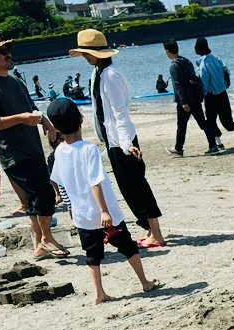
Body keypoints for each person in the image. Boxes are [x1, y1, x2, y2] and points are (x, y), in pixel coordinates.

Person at [45, 98, 159, 305]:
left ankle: (99, 293)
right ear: (81, 119)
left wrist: (68, 202)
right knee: (128, 247)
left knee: (92, 255)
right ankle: (145, 282)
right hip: (107, 215)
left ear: (55, 127)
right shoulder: (89, 149)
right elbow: (95, 182)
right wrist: (104, 211)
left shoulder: (59, 152)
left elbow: (56, 180)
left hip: (82, 216)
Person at [0, 30, 70, 258]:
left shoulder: (14, 80)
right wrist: (22, 119)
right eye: (2, 51)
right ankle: (47, 238)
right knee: (45, 194)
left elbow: (31, 108)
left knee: (34, 200)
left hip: (32, 146)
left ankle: (39, 246)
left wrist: (46, 123)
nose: (8, 54)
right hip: (13, 152)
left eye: (8, 49)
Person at [71, 28, 167, 248]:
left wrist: (126, 144)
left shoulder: (111, 75)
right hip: (113, 140)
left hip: (122, 141)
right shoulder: (98, 73)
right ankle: (151, 230)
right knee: (128, 189)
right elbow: (100, 110)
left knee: (138, 187)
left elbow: (120, 112)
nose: (85, 56)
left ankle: (156, 234)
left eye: (87, 52)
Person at [163, 39, 218, 156]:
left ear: (168, 51)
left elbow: (178, 85)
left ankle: (178, 148)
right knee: (202, 122)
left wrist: (183, 102)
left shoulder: (174, 66)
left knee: (182, 125)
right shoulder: (186, 61)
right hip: (195, 97)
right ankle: (213, 145)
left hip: (185, 101)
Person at [194, 36, 234, 150]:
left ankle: (219, 143)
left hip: (211, 96)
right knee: (227, 119)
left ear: (198, 49)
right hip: (223, 93)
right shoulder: (216, 58)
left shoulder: (203, 64)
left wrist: (200, 94)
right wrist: (224, 83)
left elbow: (204, 83)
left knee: (211, 121)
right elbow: (226, 70)